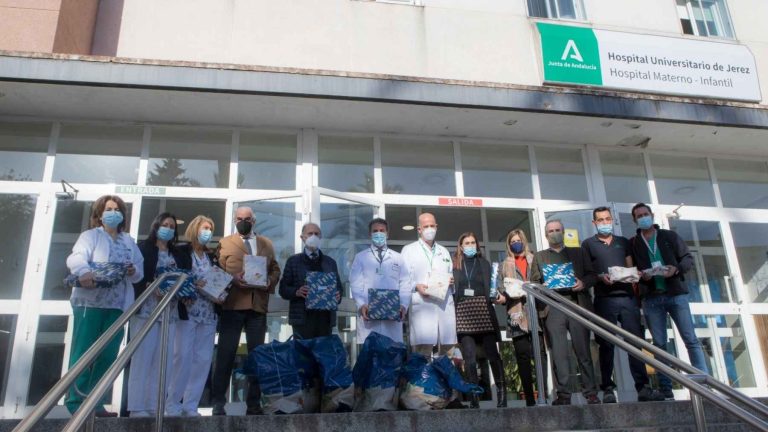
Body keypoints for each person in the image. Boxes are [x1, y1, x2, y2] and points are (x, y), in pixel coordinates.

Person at [65, 195, 144, 416]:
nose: (113, 213)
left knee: (108, 355)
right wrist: (83, 271)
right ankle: (75, 402)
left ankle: (95, 402)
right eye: (108, 209)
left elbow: (139, 271)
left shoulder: (128, 241)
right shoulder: (90, 236)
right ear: (99, 214)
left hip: (117, 306)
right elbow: (75, 257)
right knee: (84, 352)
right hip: (90, 304)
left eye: (117, 209)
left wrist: (133, 271)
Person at [582, 207, 664, 403]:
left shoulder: (623, 242)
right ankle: (608, 389)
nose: (604, 222)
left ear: (612, 220)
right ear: (594, 223)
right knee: (606, 346)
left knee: (635, 344)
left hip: (627, 299)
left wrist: (632, 275)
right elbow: (588, 274)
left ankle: (643, 387)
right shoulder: (588, 245)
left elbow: (631, 268)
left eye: (607, 218)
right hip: (604, 300)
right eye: (600, 220)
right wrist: (600, 277)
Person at [629, 203, 708, 401]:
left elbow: (687, 259)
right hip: (651, 297)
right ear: (634, 220)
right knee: (659, 345)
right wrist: (640, 276)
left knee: (690, 340)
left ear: (652, 215)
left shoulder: (669, 236)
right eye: (639, 216)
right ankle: (666, 389)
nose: (643, 217)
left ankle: (702, 385)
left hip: (675, 294)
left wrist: (676, 269)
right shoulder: (634, 242)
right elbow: (633, 270)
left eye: (646, 214)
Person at [211, 206, 281, 416]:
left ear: (254, 220)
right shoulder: (224, 243)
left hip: (257, 306)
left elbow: (275, 268)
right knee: (225, 354)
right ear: (234, 220)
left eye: (247, 218)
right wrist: (232, 279)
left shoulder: (266, 244)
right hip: (232, 306)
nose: (243, 221)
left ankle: (254, 404)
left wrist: (269, 280)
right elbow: (216, 270)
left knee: (256, 357)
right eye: (239, 218)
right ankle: (217, 403)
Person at [531, 219, 600, 405]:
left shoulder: (579, 252)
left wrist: (583, 283)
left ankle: (591, 393)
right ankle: (563, 394)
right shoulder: (539, 257)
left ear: (563, 232)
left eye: (557, 230)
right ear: (546, 236)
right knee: (559, 354)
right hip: (553, 309)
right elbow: (533, 283)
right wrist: (543, 287)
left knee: (583, 351)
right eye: (551, 231)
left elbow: (593, 275)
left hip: (577, 305)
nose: (554, 233)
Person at [128, 212, 191, 417]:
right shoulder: (143, 248)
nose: (168, 228)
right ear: (156, 226)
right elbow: (136, 277)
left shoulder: (179, 253)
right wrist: (149, 286)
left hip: (169, 312)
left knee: (162, 362)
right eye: (165, 224)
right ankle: (137, 407)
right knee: (143, 358)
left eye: (172, 226)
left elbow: (185, 278)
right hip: (147, 310)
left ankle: (155, 406)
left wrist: (185, 293)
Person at [166, 215, 219, 416]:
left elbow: (217, 280)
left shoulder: (211, 256)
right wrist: (192, 284)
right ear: (195, 228)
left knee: (203, 359)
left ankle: (190, 405)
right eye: (205, 228)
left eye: (210, 229)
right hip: (186, 312)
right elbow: (174, 274)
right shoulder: (181, 251)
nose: (208, 233)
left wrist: (220, 294)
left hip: (208, 313)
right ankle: (172, 403)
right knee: (182, 357)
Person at [452, 232, 506, 408]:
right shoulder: (455, 265)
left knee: (493, 355)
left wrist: (496, 294)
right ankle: (474, 399)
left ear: (477, 245)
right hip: (463, 313)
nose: (470, 245)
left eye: (473, 242)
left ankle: (502, 395)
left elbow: (492, 287)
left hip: (483, 310)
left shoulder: (484, 263)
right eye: (466, 243)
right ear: (460, 246)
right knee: (470, 358)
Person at [496, 229, 548, 407]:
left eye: (518, 240)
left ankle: (544, 394)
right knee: (523, 356)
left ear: (524, 241)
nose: (516, 243)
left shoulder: (535, 259)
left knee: (540, 354)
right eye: (512, 241)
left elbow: (543, 282)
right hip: (516, 313)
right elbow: (500, 290)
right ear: (509, 244)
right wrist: (501, 296)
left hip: (535, 311)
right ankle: (530, 399)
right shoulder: (504, 264)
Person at [400, 213, 456, 357]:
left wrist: (451, 281)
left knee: (447, 352)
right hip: (422, 307)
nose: (429, 229)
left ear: (436, 227)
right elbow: (402, 279)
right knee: (422, 354)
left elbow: (450, 274)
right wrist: (416, 286)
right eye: (426, 226)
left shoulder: (444, 251)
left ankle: (444, 380)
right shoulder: (409, 250)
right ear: (419, 229)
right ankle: (421, 380)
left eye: (432, 226)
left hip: (444, 306)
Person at [350, 218, 411, 344]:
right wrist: (361, 304)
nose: (379, 233)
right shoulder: (360, 257)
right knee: (371, 357)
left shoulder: (398, 258)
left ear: (387, 233)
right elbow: (356, 284)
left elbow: (405, 284)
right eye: (375, 231)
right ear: (370, 234)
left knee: (392, 356)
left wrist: (403, 305)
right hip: (369, 314)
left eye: (382, 230)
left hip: (392, 316)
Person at [279, 222, 343, 338]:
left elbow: (338, 287)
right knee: (302, 355)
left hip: (325, 319)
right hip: (302, 319)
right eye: (310, 234)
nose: (313, 236)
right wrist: (296, 292)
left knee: (322, 354)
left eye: (316, 234)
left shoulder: (330, 262)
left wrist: (338, 295)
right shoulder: (293, 261)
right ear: (302, 237)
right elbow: (283, 289)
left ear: (320, 237)